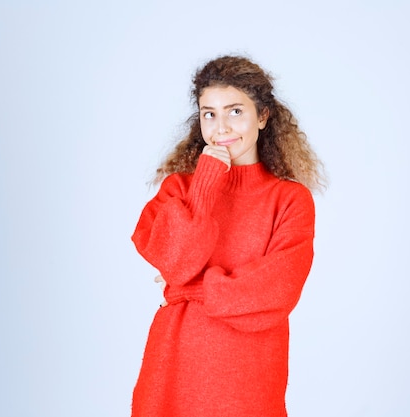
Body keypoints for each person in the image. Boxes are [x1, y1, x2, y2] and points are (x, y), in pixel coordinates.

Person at [130, 55, 326, 417]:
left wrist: (185, 290)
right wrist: (206, 181)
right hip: (172, 365)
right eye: (209, 113)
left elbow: (275, 290)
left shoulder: (289, 200)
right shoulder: (178, 188)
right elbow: (176, 261)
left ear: (263, 116)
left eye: (235, 111)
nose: (221, 127)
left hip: (248, 376)